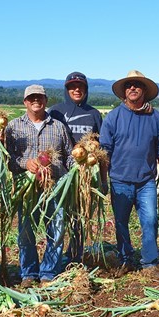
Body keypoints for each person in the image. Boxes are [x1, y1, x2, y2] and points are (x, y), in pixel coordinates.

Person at [100, 70, 159, 281]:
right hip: (120, 180)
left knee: (150, 220)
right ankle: (125, 259)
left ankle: (149, 262)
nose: (133, 88)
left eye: (137, 85)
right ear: (124, 91)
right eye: (129, 85)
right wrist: (103, 179)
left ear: (145, 90)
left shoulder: (155, 116)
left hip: (146, 180)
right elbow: (105, 152)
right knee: (121, 222)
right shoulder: (114, 117)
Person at [6, 84, 75, 288]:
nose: (36, 101)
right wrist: (24, 163)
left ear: (46, 100)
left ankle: (49, 272)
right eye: (32, 98)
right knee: (26, 231)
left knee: (56, 230)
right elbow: (7, 158)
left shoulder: (58, 126)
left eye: (40, 97)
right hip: (26, 189)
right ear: (25, 102)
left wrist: (80, 167)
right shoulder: (13, 126)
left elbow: (69, 155)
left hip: (54, 187)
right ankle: (28, 273)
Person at [48, 71, 105, 264]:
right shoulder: (55, 111)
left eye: (81, 86)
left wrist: (102, 178)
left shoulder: (94, 114)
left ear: (86, 89)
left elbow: (101, 147)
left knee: (81, 215)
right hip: (60, 174)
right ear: (66, 89)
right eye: (72, 86)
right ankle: (55, 258)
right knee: (59, 218)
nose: (77, 89)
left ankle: (75, 254)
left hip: (85, 175)